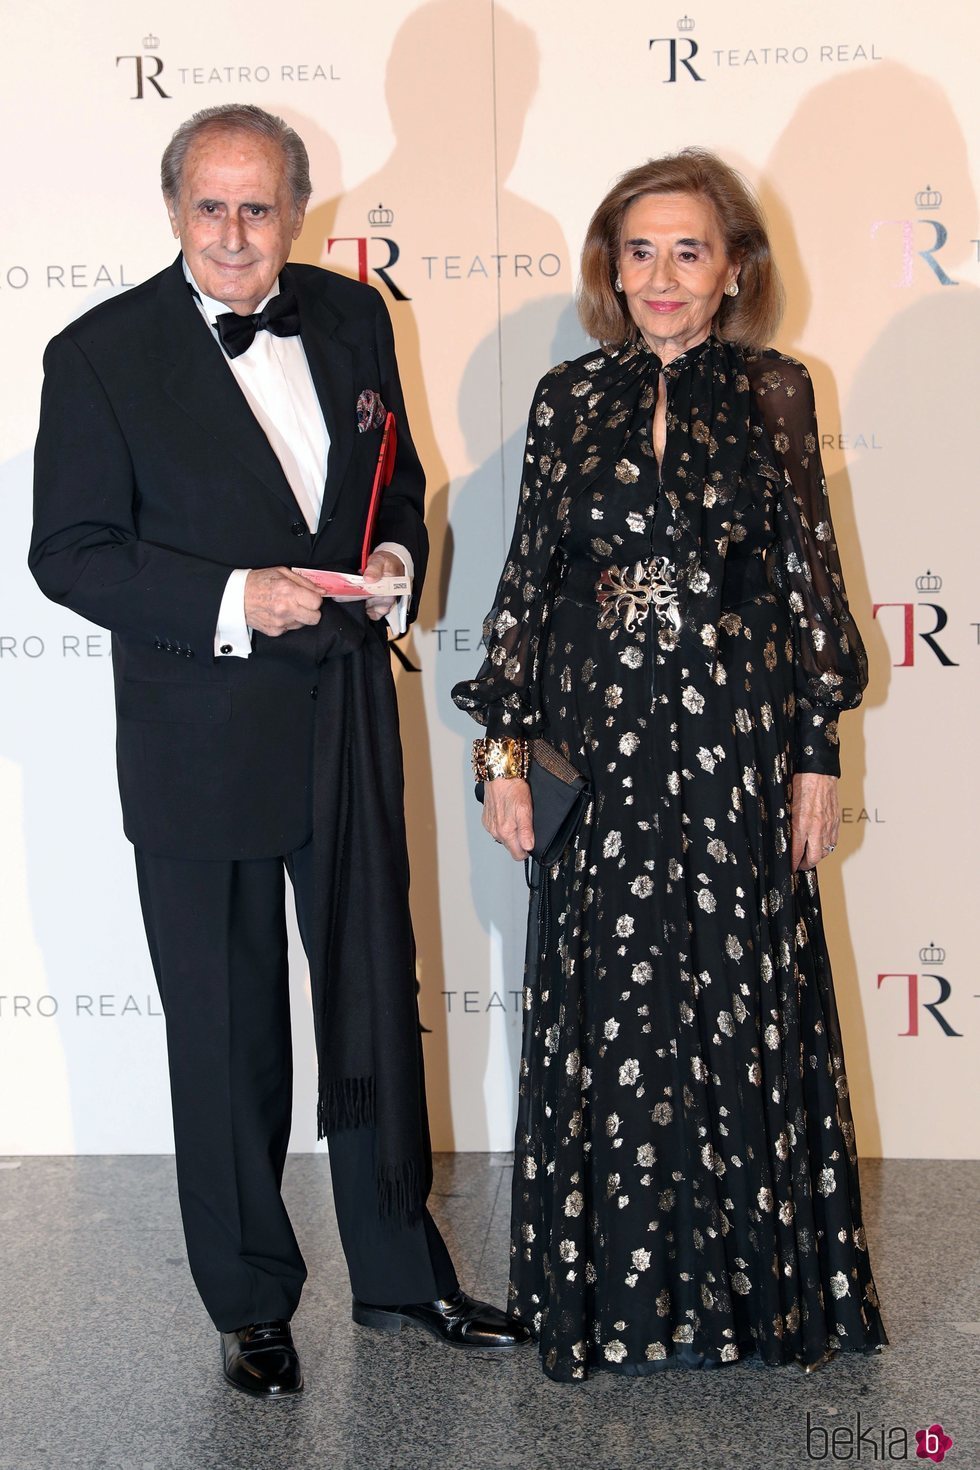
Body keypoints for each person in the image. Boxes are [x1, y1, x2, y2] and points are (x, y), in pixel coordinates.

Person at [30, 103, 529, 1398]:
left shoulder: (356, 317)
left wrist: (397, 561)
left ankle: (400, 1271)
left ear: (297, 210)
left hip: (348, 716)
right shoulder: (97, 355)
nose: (238, 233)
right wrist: (230, 601)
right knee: (229, 1032)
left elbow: (399, 480)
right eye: (213, 207)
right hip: (200, 741)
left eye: (260, 208)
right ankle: (251, 1300)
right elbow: (68, 552)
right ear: (175, 210)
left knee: (377, 991)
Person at [453, 148, 887, 1382]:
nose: (659, 275)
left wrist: (814, 753)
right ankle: (613, 1303)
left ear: (732, 266)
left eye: (686, 250)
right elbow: (527, 584)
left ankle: (751, 1303)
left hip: (734, 750)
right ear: (610, 267)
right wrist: (502, 754)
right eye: (637, 250)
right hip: (599, 754)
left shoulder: (773, 393)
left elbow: (809, 584)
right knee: (612, 1011)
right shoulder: (564, 400)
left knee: (740, 1004)